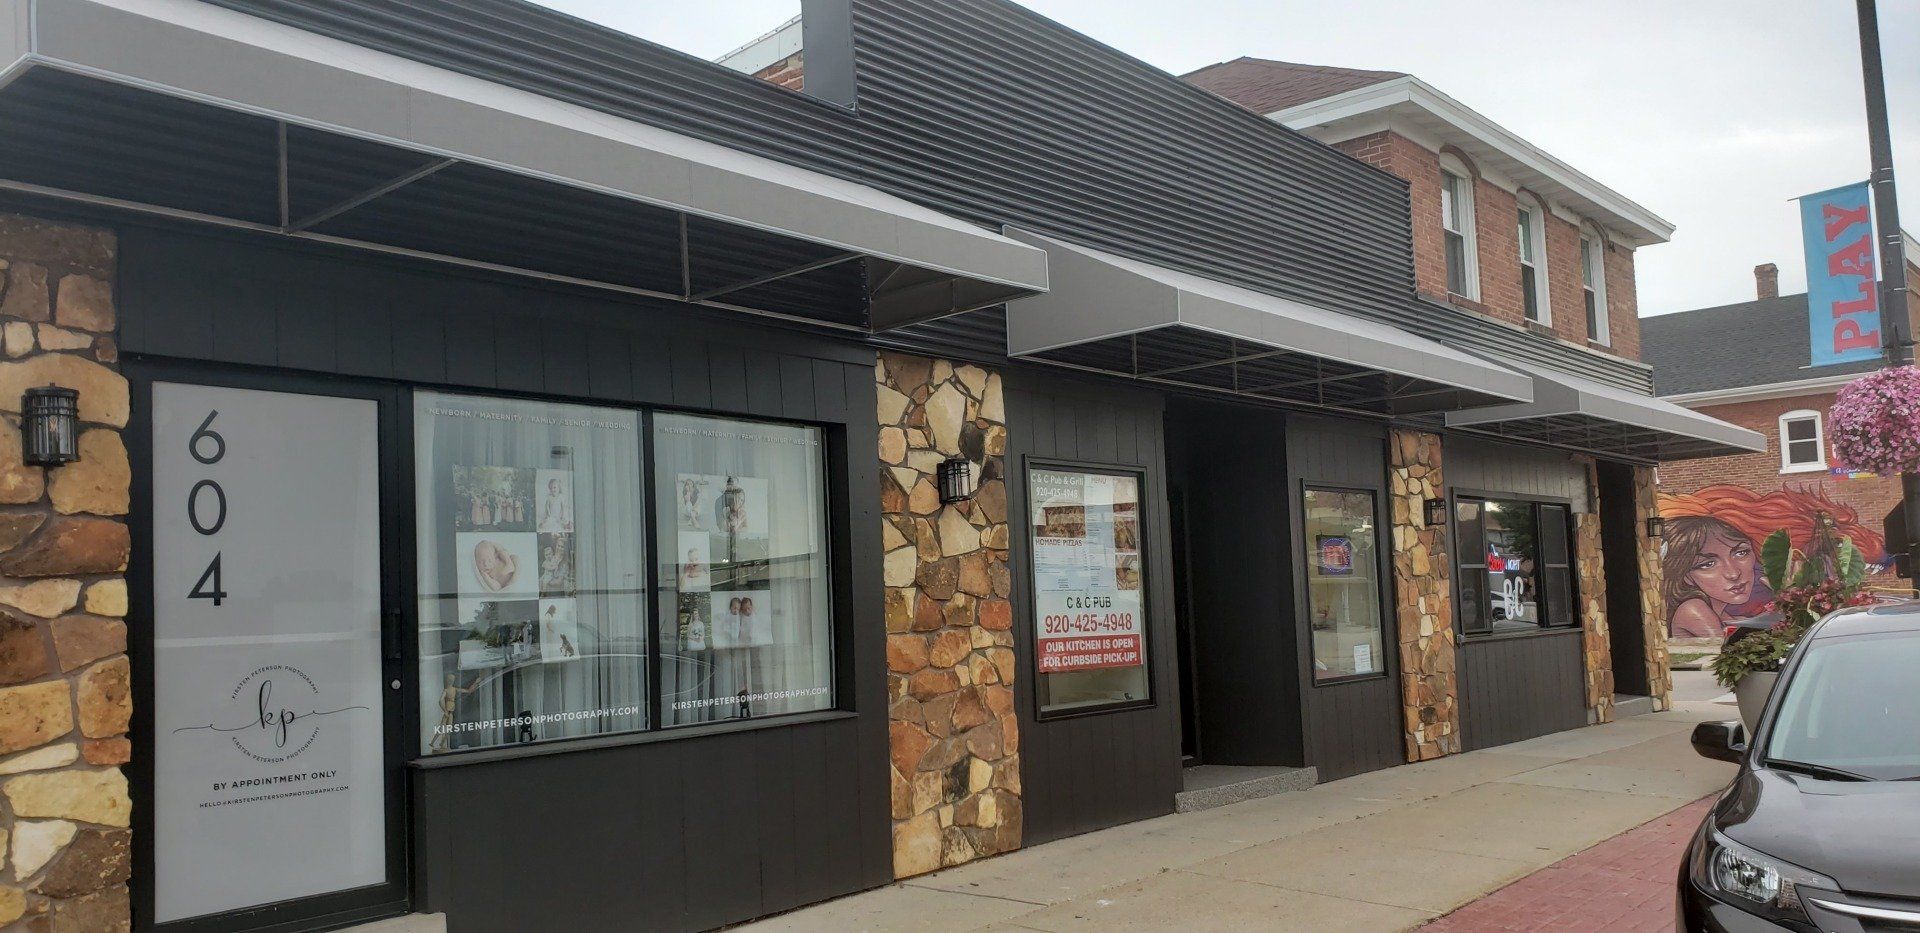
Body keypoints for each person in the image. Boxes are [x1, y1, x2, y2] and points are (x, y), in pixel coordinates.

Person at [1658, 485, 1887, 639]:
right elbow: (1727, 651)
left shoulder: (1726, 613)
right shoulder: (1693, 610)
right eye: (1707, 564)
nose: (1733, 573)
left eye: (1740, 553)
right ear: (1686, 574)